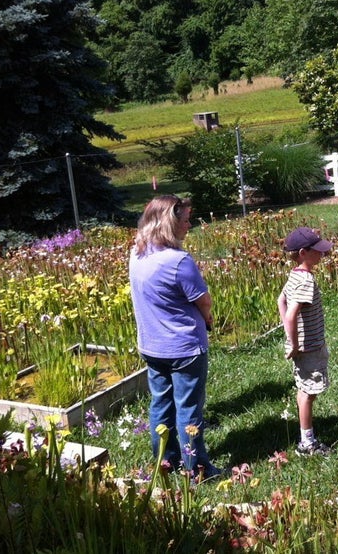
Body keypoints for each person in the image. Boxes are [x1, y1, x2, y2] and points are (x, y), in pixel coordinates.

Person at [129, 194, 221, 480]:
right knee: (189, 410)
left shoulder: (137, 253)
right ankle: (197, 469)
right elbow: (203, 301)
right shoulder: (179, 261)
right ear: (170, 222)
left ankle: (165, 462)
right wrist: (207, 317)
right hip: (184, 348)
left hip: (152, 345)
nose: (189, 224)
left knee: (160, 405)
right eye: (185, 219)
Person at [278, 226, 334, 457]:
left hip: (302, 345)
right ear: (303, 252)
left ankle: (305, 436)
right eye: (318, 251)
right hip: (308, 347)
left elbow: (280, 300)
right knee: (310, 392)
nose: (323, 254)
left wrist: (290, 336)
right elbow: (291, 313)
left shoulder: (295, 275)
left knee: (303, 389)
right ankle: (307, 443)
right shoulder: (306, 281)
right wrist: (294, 342)